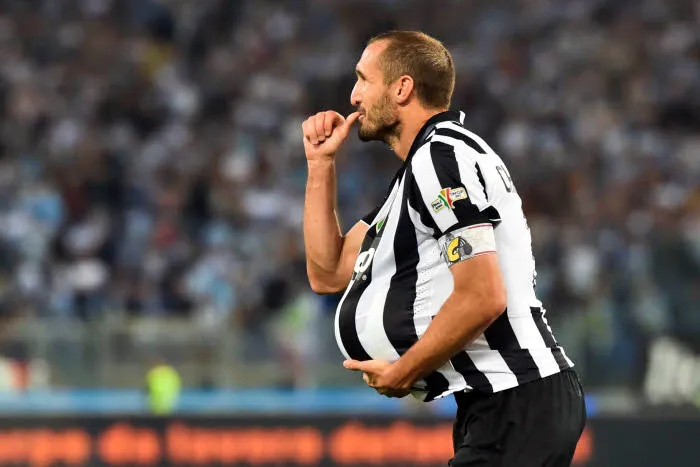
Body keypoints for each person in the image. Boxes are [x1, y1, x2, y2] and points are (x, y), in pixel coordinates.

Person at [301, 31, 586, 466]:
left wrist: (404, 370)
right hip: (502, 403)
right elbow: (328, 273)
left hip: (517, 397)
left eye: (363, 79)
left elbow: (483, 295)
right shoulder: (423, 169)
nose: (353, 96)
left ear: (402, 88)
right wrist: (320, 165)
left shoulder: (440, 159)